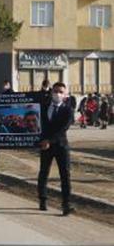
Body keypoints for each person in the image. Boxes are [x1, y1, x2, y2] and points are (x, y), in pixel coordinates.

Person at [38, 82, 75, 216]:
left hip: (61, 146)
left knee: (65, 175)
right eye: (55, 91)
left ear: (65, 95)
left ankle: (66, 204)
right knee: (43, 173)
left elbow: (63, 129)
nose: (57, 94)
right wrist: (42, 140)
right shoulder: (44, 107)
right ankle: (42, 200)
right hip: (45, 146)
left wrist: (50, 140)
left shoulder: (68, 110)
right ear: (51, 92)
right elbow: (39, 125)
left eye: (60, 92)